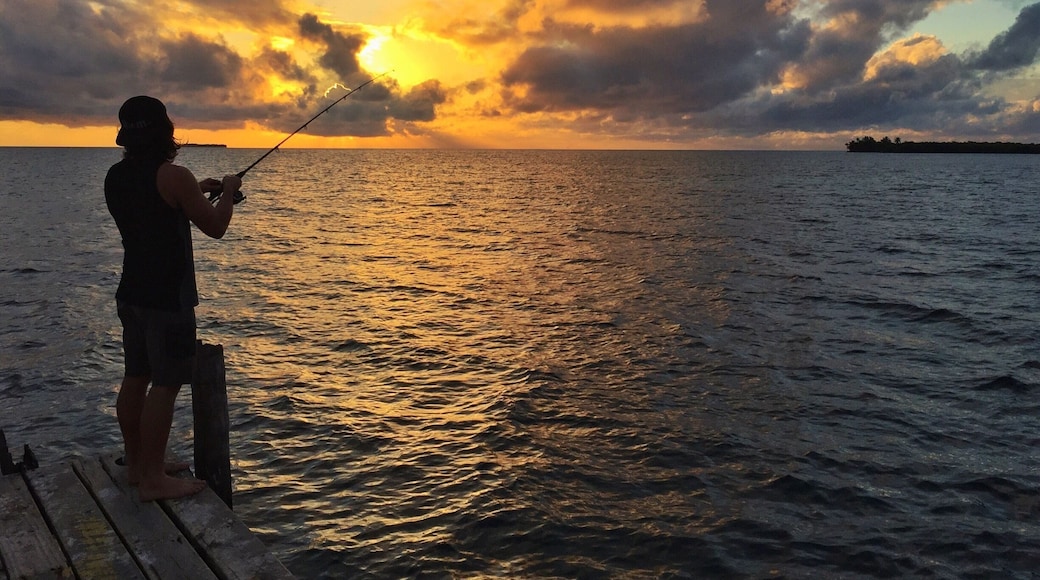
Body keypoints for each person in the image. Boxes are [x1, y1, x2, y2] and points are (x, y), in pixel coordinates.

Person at [104, 95, 241, 501]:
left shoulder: (115, 176)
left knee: (136, 376)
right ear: (166, 131)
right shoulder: (174, 176)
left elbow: (154, 208)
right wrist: (229, 191)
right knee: (165, 384)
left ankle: (139, 465)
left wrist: (194, 191)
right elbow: (216, 226)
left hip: (131, 294)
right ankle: (152, 481)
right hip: (168, 299)